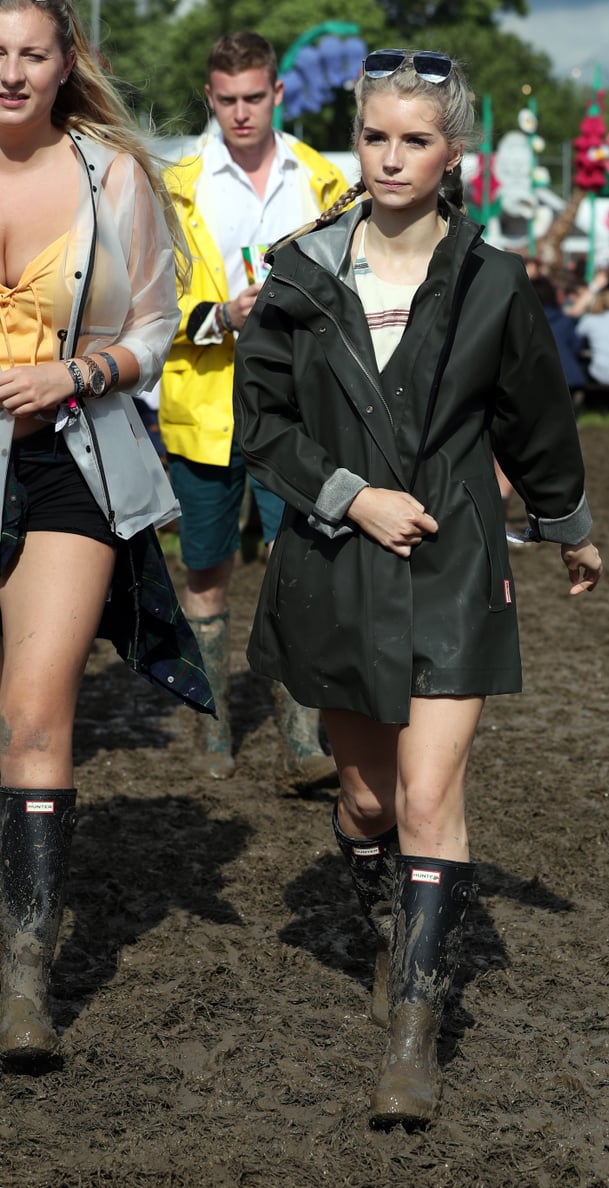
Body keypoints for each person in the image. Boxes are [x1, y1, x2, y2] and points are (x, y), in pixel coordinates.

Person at [234, 49, 603, 1128]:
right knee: (366, 801)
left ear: (456, 154)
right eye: (377, 136)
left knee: (433, 798)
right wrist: (350, 496)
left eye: (417, 140)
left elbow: (539, 420)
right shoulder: (300, 272)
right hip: (336, 566)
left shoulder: (495, 282)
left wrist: (569, 527)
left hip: (455, 560)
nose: (392, 158)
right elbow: (262, 427)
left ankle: (413, 1034)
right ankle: (391, 922)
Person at [0, 0, 213, 1069]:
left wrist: (72, 372)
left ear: (64, 61)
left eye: (31, 54)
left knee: (36, 711)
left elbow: (154, 328)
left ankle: (24, 983)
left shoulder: (112, 176)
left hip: (68, 461)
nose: (10, 72)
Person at [159, 32, 348, 786]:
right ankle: (213, 726)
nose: (241, 112)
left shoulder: (323, 180)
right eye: (227, 99)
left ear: (277, 94)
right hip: (203, 404)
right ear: (211, 98)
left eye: (254, 97)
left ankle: (303, 738)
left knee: (295, 564)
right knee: (204, 567)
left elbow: (354, 289)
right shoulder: (176, 182)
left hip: (295, 410)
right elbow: (145, 300)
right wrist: (222, 317)